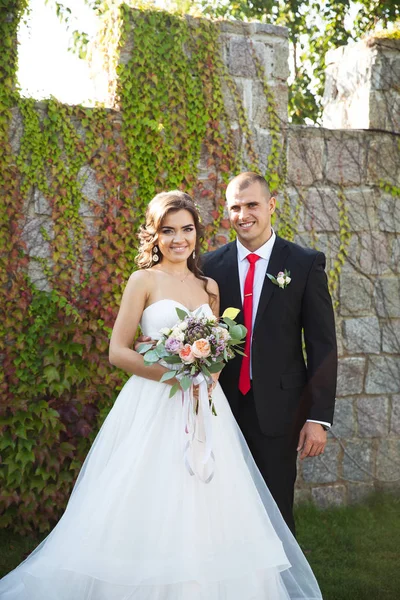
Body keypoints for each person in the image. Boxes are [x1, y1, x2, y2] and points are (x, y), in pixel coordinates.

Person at [0, 190, 323, 599]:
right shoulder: (143, 281)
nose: (178, 239)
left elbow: (220, 347)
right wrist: (173, 376)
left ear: (196, 233)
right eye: (168, 231)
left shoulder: (209, 286)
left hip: (205, 408)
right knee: (149, 495)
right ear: (154, 234)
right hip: (155, 402)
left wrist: (209, 369)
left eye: (186, 229)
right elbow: (119, 351)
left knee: (211, 503)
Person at [202, 172, 338, 535]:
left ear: (271, 206)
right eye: (234, 207)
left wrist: (319, 417)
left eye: (251, 205)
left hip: (281, 411)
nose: (243, 214)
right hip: (221, 409)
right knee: (218, 507)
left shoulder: (305, 263)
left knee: (275, 511)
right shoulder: (209, 266)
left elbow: (323, 344)